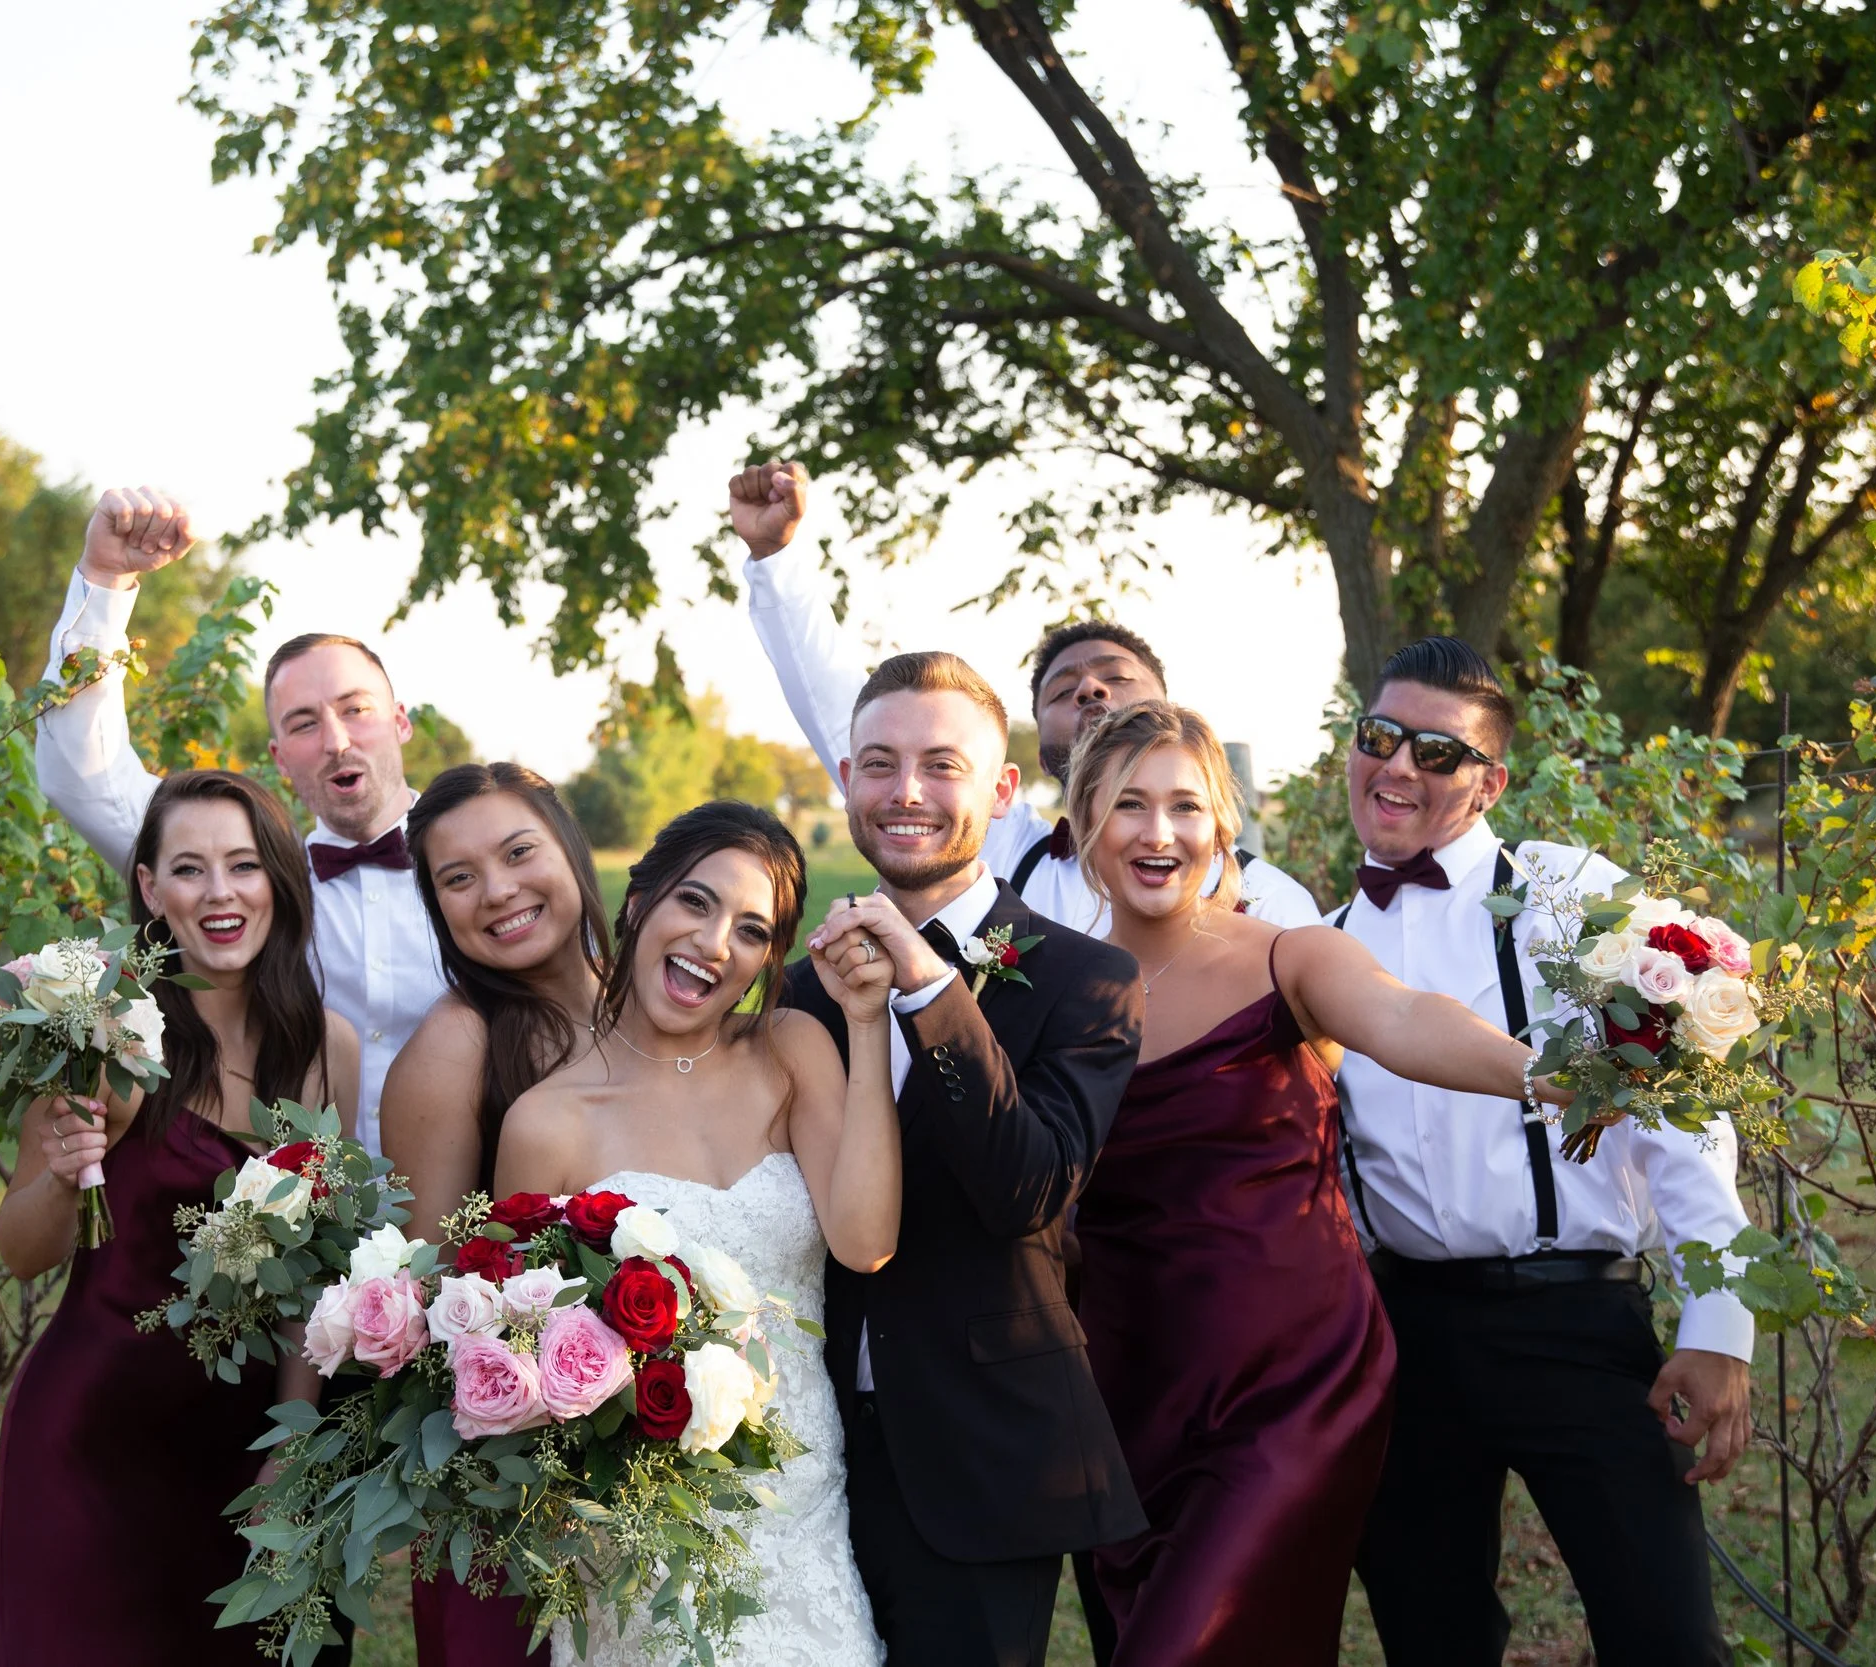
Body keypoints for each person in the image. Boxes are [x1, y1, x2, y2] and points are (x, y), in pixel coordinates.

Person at [1064, 702, 1583, 1664]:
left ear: (1223, 823)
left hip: (1292, 1381)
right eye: (1129, 804)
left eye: (1185, 804)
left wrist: (1542, 1074)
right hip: (1130, 1393)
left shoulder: (1286, 955)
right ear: (1081, 817)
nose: (1159, 832)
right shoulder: (1048, 989)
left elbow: (1402, 1017)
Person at [1334, 637, 1755, 1667]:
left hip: (1573, 1319)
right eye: (1379, 737)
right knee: (1432, 1637)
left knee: (1664, 1634)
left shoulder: (1566, 894)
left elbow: (1681, 1105)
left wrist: (1719, 1320)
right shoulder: (1323, 936)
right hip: (1406, 1336)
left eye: (1436, 752)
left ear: (1490, 782)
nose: (1396, 768)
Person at [776, 651, 1147, 1667]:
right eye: (878, 762)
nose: (905, 792)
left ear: (1001, 788)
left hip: (984, 1450)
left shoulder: (1088, 979)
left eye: (941, 764)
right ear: (844, 778)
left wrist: (928, 985)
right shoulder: (796, 988)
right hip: (796, 1457)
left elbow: (1026, 1186)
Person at [494, 801, 903, 1667]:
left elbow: (864, 1239)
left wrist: (865, 1024)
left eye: (752, 929)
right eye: (696, 902)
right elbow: (530, 1362)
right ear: (640, 901)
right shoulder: (546, 1123)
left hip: (800, 1511)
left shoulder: (791, 1048)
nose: (718, 942)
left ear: (768, 958)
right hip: (647, 1532)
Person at [0, 770, 360, 1665]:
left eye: (243, 864)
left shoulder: (325, 1047)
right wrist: (63, 1177)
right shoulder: (103, 1032)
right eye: (190, 869)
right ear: (151, 888)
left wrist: (290, 1449)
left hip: (245, 1448)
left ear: (277, 877)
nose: (221, 893)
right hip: (91, 1445)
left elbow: (319, 1277)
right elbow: (22, 1253)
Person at [727, 459, 1322, 931]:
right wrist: (777, 560)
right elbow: (849, 716)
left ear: (1173, 720)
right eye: (1064, 691)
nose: (1090, 688)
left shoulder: (1267, 900)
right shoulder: (999, 850)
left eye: (1116, 679)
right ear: (1035, 763)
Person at [35, 487, 444, 1159]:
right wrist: (106, 583)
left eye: (357, 709)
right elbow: (85, 777)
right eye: (304, 723)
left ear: (400, 720)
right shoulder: (247, 873)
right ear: (281, 758)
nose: (338, 739)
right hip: (297, 1249)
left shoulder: (484, 863)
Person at [380, 761, 614, 1664]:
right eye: (458, 879)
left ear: (568, 845)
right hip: (513, 1499)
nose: (499, 891)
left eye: (519, 852)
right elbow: (431, 1317)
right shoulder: (455, 1046)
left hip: (662, 1474)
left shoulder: (655, 1001)